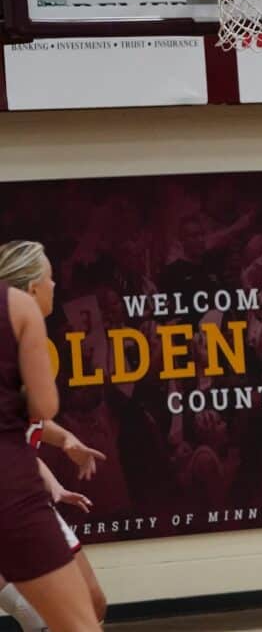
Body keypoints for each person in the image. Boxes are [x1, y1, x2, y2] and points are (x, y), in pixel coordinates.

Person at [0, 240, 102, 631]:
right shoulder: (19, 309)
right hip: (11, 490)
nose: (56, 284)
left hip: (20, 480)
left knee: (88, 604)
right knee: (77, 623)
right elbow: (42, 408)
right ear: (30, 289)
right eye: (50, 278)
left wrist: (65, 443)